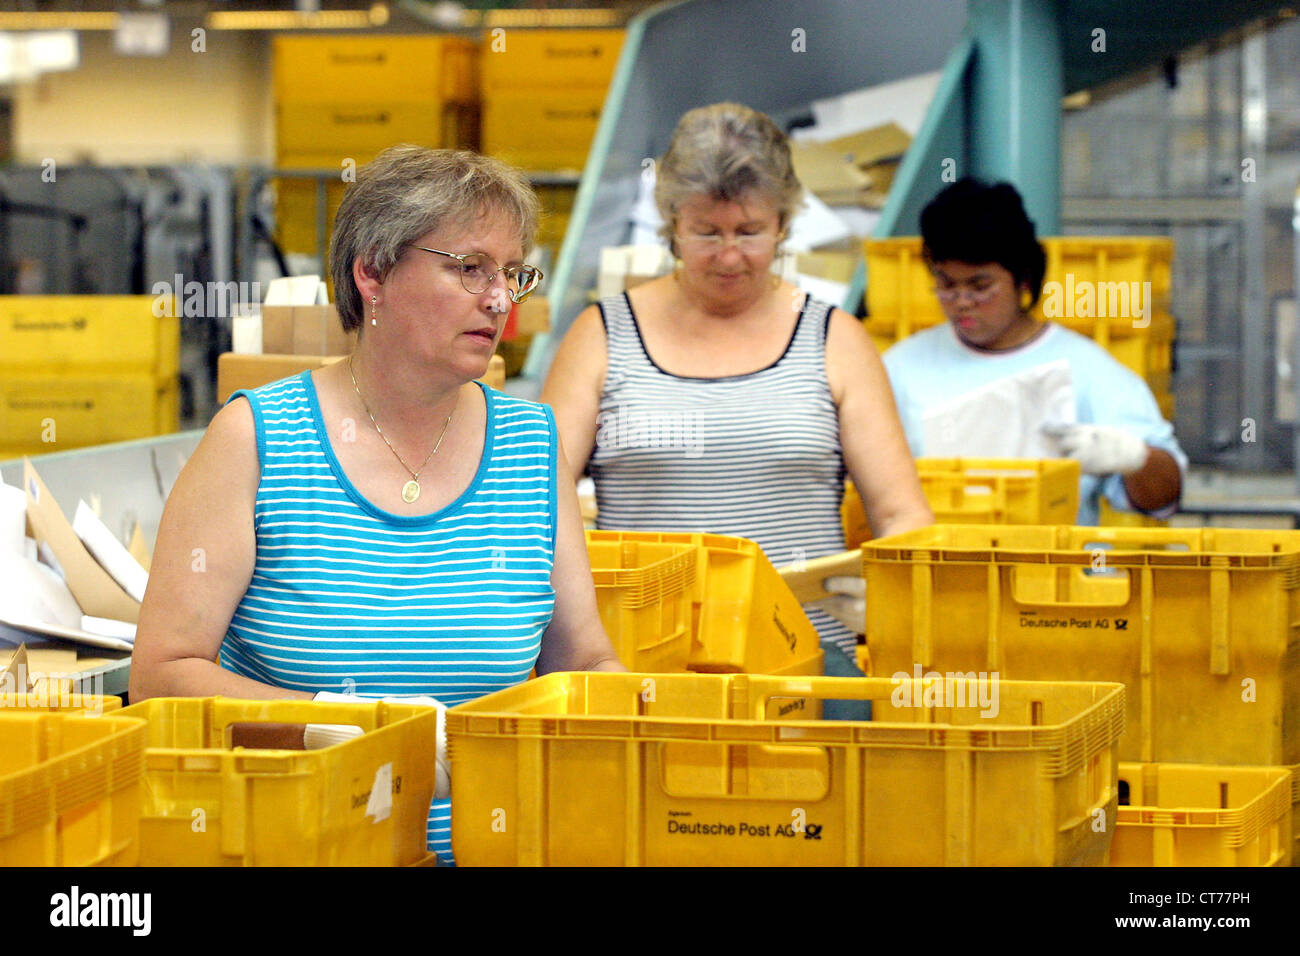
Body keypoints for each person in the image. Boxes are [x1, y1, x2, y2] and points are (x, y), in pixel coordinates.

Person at [129, 145, 624, 865]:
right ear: (373, 274)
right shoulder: (257, 440)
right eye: (470, 268)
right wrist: (354, 728)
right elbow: (162, 676)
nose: (499, 299)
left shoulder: (529, 443)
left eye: (513, 273)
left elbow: (582, 657)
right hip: (303, 849)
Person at [541, 103, 933, 672]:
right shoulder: (602, 337)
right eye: (706, 232)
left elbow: (902, 515)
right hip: (645, 667)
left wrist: (890, 595)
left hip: (805, 664)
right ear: (672, 223)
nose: (729, 256)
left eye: (750, 232)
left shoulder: (834, 339)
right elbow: (539, 502)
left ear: (784, 224)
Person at [883, 178, 1185, 524]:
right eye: (947, 285)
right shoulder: (899, 369)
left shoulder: (1087, 369)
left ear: (1023, 279)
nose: (963, 302)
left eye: (981, 286)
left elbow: (1164, 496)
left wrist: (1135, 458)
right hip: (931, 570)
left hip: (1051, 572)